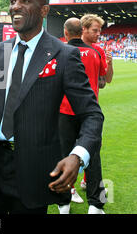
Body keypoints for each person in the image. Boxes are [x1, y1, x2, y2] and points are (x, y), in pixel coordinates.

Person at [0, 0, 104, 214]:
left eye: (25, 1)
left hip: (34, 169)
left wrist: (77, 155)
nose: (15, 7)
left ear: (44, 10)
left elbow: (91, 114)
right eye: (12, 1)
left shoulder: (64, 55)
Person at [57, 18, 107, 214]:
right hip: (89, 111)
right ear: (82, 31)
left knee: (64, 155)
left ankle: (64, 204)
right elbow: (103, 81)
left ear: (66, 33)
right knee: (92, 157)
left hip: (65, 111)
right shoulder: (96, 52)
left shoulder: (59, 52)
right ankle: (96, 205)